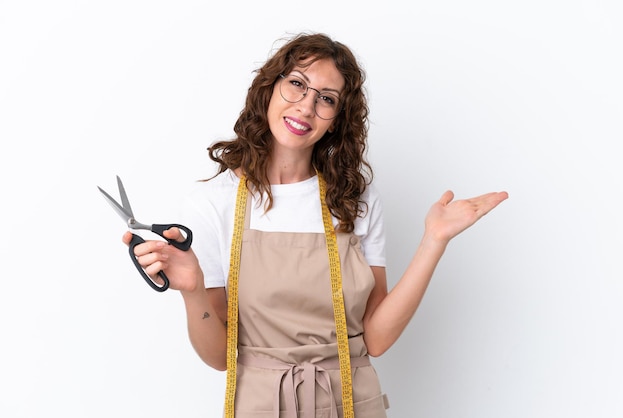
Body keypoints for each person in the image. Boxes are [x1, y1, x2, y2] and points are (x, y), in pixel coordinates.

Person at [122, 32, 508, 418]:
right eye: (296, 84)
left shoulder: (354, 199)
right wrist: (191, 292)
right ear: (269, 90)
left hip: (353, 404)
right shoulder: (214, 203)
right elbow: (219, 358)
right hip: (261, 406)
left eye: (326, 98)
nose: (306, 107)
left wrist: (433, 241)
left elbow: (375, 338)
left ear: (337, 119)